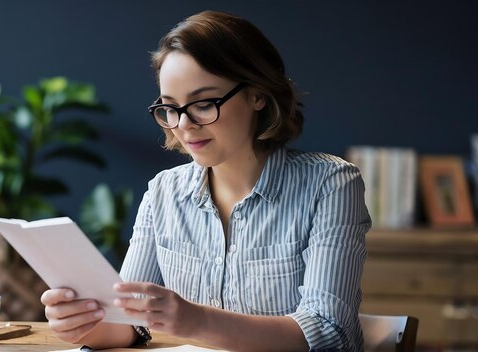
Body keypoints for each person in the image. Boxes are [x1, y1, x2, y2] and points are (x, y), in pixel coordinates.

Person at [41, 10, 370, 351]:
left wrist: (196, 320)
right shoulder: (163, 192)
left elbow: (330, 335)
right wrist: (83, 324)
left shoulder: (330, 185)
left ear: (257, 94)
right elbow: (130, 325)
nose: (183, 124)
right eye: (170, 108)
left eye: (203, 103)